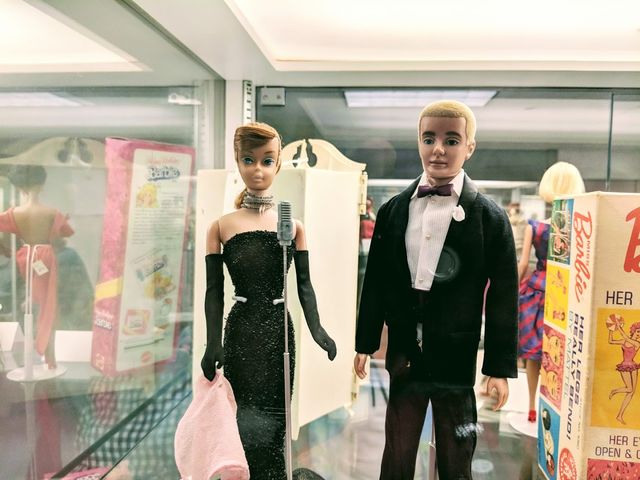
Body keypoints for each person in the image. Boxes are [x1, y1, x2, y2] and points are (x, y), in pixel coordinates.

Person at [354, 100, 518, 479]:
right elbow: (376, 280)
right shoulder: (394, 210)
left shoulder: (490, 218)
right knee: (397, 451)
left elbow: (504, 295)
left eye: (451, 140)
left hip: (457, 356)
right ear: (418, 141)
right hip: (404, 353)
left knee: (456, 456)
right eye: (429, 139)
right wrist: (365, 342)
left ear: (469, 147)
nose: (438, 149)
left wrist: (497, 368)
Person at [200, 122, 337, 479]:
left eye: (266, 160)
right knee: (241, 419)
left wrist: (318, 330)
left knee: (276, 421)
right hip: (241, 331)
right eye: (249, 160)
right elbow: (213, 292)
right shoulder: (221, 226)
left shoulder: (294, 226)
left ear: (278, 165)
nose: (257, 170)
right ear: (237, 162)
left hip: (278, 333)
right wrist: (212, 343)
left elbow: (304, 285)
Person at [517, 161, 585, 422]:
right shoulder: (576, 229)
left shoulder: (535, 227)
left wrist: (512, 291)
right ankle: (554, 406)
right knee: (559, 352)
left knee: (534, 353)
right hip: (564, 291)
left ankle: (532, 406)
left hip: (536, 290)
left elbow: (524, 264)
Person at [0, 164, 74, 369]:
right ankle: (48, 356)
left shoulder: (13, 213)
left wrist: (7, 251)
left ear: (20, 188)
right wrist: (60, 223)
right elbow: (67, 232)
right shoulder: (51, 212)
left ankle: (35, 351)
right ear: (41, 186)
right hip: (45, 257)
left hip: (25, 257)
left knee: (32, 302)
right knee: (49, 304)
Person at [607, 317, 640, 424]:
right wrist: (611, 330)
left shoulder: (637, 343)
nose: (639, 334)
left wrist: (618, 326)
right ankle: (614, 391)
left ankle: (619, 415)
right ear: (633, 331)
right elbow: (610, 341)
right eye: (638, 331)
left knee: (631, 392)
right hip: (624, 366)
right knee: (629, 388)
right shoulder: (624, 341)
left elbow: (625, 336)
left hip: (633, 367)